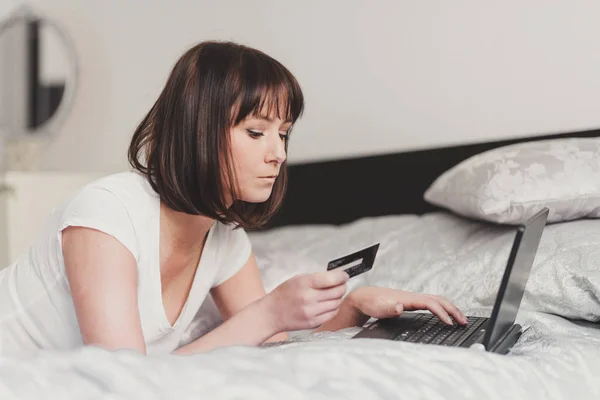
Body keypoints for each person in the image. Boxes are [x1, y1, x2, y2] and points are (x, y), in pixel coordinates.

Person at [0, 41, 467, 356]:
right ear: (198, 130)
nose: (278, 154)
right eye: (257, 131)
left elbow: (271, 350)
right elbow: (122, 384)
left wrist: (354, 309)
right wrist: (268, 311)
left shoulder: (224, 239)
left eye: (283, 135)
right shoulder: (106, 214)